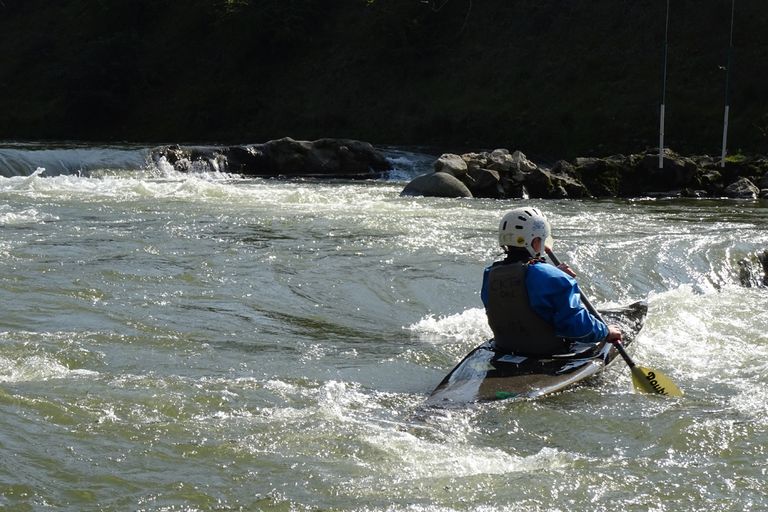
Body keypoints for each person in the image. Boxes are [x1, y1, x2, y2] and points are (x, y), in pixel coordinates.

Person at [480, 207, 622, 356]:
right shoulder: (554, 278)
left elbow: (519, 291)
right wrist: (606, 332)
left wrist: (554, 273)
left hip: (505, 347)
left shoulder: (490, 274)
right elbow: (577, 327)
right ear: (536, 241)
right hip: (546, 352)